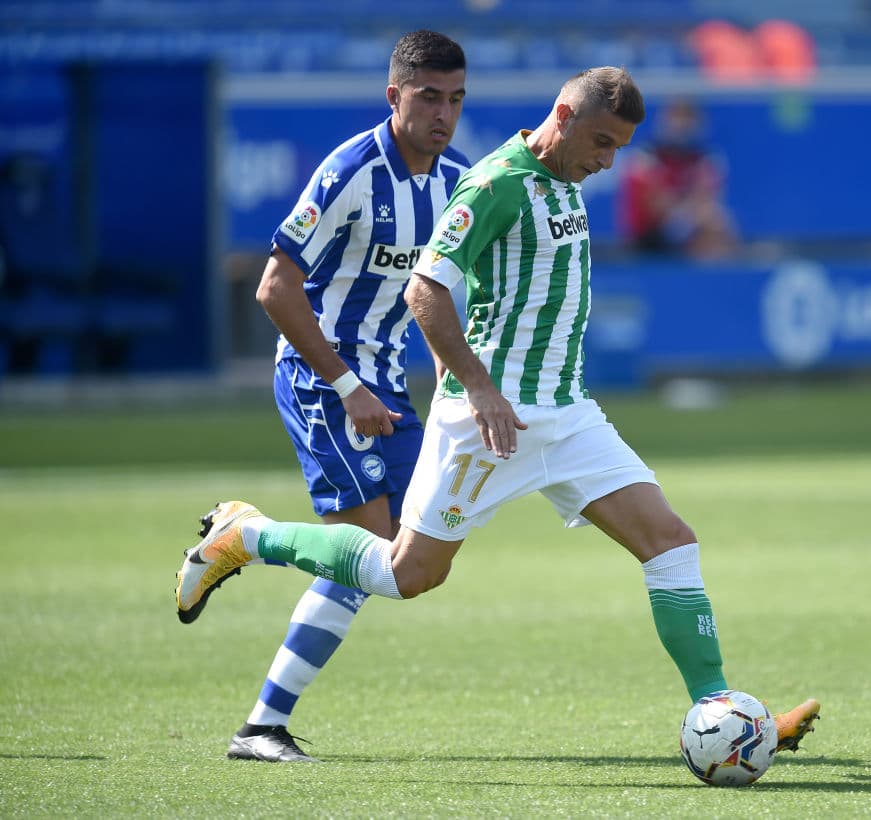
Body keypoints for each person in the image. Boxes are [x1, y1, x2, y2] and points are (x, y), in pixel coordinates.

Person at [176, 66, 820, 754]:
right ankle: (248, 536)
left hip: (568, 417)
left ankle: (724, 716)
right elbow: (426, 289)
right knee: (407, 574)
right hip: (490, 422)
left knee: (671, 543)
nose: (606, 162)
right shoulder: (494, 183)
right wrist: (479, 386)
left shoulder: (562, 179)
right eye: (601, 142)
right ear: (563, 116)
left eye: (619, 150)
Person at [179, 30, 470, 763]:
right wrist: (345, 385)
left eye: (456, 99)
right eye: (429, 96)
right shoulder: (350, 170)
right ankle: (260, 726)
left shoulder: (456, 180)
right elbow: (274, 288)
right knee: (366, 552)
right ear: (394, 96)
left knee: (410, 567)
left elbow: (436, 292)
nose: (443, 113)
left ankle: (246, 536)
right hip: (322, 380)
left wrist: (443, 378)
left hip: (392, 391)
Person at [618, 99, 738, 259]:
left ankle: (719, 274)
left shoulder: (706, 160)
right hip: (648, 237)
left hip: (689, 228)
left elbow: (708, 200)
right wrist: (693, 213)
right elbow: (657, 205)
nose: (682, 126)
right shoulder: (644, 159)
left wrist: (699, 214)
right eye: (677, 119)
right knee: (709, 224)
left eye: (688, 120)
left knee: (719, 225)